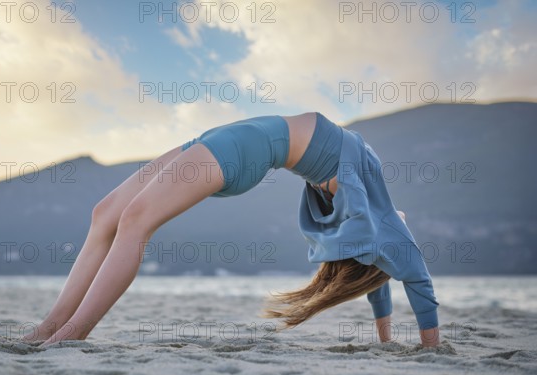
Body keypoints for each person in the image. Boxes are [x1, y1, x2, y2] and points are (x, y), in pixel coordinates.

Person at [22, 111, 440, 348]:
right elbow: (376, 284)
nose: (407, 226)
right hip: (223, 137)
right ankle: (50, 327)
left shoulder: (383, 225)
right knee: (105, 213)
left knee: (134, 221)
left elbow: (417, 279)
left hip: (243, 150)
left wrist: (430, 346)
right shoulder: (370, 217)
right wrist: (385, 340)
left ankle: (72, 335)